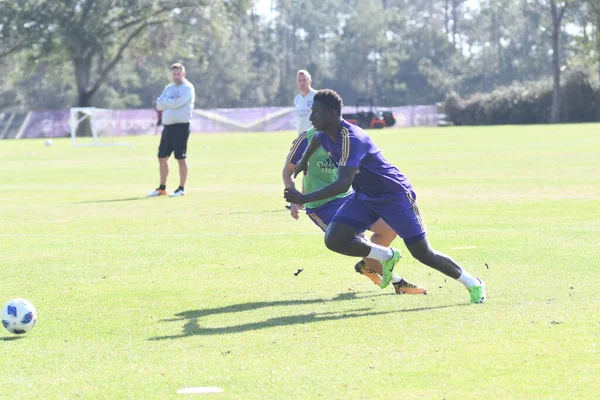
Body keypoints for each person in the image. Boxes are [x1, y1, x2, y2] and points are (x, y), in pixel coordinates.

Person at [284, 89, 486, 304]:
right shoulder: (324, 134)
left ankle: (473, 282)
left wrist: (302, 198)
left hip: (395, 196)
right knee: (334, 238)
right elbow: (316, 138)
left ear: (332, 114)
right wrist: (305, 159)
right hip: (365, 197)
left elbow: (343, 184)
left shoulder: (352, 139)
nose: (311, 117)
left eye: (316, 112)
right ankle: (387, 256)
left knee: (423, 253)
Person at [283, 127, 427, 295]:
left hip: (349, 197)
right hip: (321, 206)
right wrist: (295, 196)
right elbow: (288, 171)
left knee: (388, 229)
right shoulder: (305, 139)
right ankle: (398, 282)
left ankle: (367, 265)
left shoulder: (346, 137)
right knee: (358, 241)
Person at [148, 63, 195, 197]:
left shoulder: (187, 88)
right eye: (174, 74)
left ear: (183, 74)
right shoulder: (168, 88)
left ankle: (181, 188)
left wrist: (167, 102)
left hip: (181, 126)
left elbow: (177, 103)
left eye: (178, 74)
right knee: (162, 156)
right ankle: (162, 188)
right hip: (168, 126)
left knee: (180, 157)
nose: (176, 76)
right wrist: (170, 101)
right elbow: (158, 104)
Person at [294, 70, 317, 134]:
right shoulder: (296, 99)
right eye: (299, 80)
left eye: (304, 80)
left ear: (310, 81)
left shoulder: (317, 96)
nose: (302, 83)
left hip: (315, 137)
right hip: (302, 137)